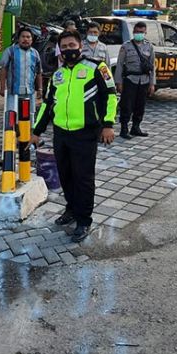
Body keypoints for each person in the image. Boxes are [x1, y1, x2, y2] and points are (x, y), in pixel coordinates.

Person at [29, 30, 118, 243]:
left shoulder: (97, 68)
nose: (69, 50)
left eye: (72, 45)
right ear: (60, 50)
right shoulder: (57, 75)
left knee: (83, 179)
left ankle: (84, 220)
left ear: (80, 46)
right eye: (65, 47)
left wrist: (107, 125)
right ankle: (70, 209)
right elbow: (48, 105)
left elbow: (111, 96)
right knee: (66, 175)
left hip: (85, 134)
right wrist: (36, 131)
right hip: (61, 134)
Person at [115, 21, 156, 140]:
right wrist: (119, 82)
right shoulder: (126, 46)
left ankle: (136, 127)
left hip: (144, 80)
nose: (139, 34)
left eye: (142, 32)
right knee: (126, 105)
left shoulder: (149, 46)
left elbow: (152, 66)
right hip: (130, 79)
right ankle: (124, 128)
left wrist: (152, 83)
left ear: (145, 32)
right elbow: (119, 65)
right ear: (133, 32)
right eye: (137, 32)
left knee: (140, 105)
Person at [0, 27, 42, 125]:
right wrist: (2, 87)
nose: (25, 39)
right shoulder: (10, 51)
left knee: (29, 119)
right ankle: (11, 138)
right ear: (18, 38)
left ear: (31, 39)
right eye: (23, 37)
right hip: (13, 92)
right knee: (11, 118)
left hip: (29, 93)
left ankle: (27, 138)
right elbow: (3, 69)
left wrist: (40, 89)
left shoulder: (35, 53)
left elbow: (39, 72)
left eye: (28, 37)